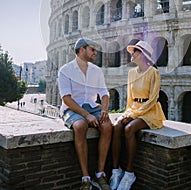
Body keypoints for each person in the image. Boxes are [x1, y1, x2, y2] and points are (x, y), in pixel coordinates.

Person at [109, 40, 166, 190]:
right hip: (134, 108)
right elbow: (130, 98)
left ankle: (129, 172)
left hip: (150, 111)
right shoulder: (131, 73)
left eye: (134, 51)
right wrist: (128, 113)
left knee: (129, 129)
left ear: (142, 54)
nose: (131, 54)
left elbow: (153, 98)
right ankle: (116, 170)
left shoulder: (153, 72)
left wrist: (134, 115)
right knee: (117, 127)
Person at [58, 38, 112, 190]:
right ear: (82, 50)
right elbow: (66, 98)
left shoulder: (97, 71)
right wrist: (86, 115)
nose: (95, 52)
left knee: (108, 126)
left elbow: (104, 93)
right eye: (92, 49)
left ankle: (100, 173)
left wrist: (104, 110)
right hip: (72, 108)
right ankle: (85, 177)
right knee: (80, 126)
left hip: (93, 106)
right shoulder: (65, 70)